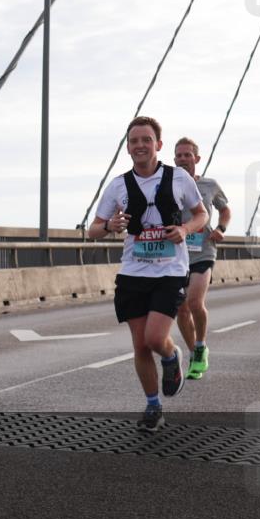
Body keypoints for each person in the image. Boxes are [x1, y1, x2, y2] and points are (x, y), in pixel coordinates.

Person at [89, 116, 207, 433]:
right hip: (132, 272)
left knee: (155, 338)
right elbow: (93, 230)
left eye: (146, 139)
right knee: (140, 346)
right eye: (134, 141)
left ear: (158, 144)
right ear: (128, 147)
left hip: (169, 271)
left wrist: (184, 228)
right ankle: (153, 406)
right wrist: (110, 227)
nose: (140, 145)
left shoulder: (179, 178)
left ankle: (171, 357)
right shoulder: (118, 185)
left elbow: (201, 215)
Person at [172, 138, 231, 379]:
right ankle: (196, 353)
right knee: (181, 310)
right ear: (174, 160)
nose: (183, 159)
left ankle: (200, 344)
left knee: (195, 302)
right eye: (179, 155)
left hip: (204, 251)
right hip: (176, 254)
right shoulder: (169, 185)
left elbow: (225, 209)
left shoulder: (210, 185)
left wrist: (221, 228)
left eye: (188, 155)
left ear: (197, 159)